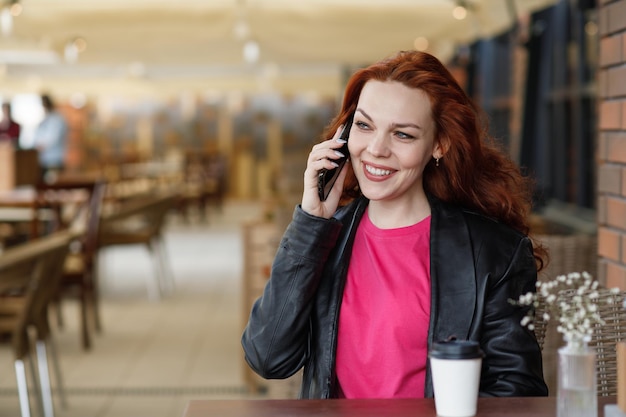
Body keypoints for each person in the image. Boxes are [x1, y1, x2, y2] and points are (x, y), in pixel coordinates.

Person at [241, 50, 549, 399]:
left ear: (438, 145)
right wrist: (311, 224)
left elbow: (518, 392)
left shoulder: (495, 253)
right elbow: (267, 359)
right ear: (343, 135)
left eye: (402, 135)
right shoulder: (324, 238)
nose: (375, 149)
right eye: (364, 125)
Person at [33, 93, 68, 181]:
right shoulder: (45, 119)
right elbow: (38, 136)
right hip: (43, 160)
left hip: (54, 160)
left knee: (53, 184)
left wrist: (41, 145)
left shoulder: (58, 119)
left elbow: (53, 138)